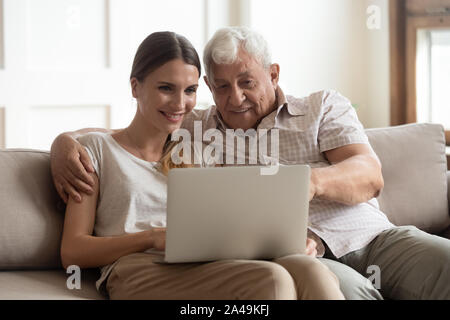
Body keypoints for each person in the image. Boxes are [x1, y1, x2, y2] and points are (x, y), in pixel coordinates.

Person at [53, 26, 450, 300]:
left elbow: (369, 175)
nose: (235, 97)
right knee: (321, 282)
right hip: (289, 254)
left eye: (247, 82)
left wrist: (305, 183)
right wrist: (62, 144)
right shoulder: (194, 130)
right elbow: (116, 137)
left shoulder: (320, 107)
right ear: (210, 87)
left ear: (273, 74)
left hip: (370, 237)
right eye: (221, 86)